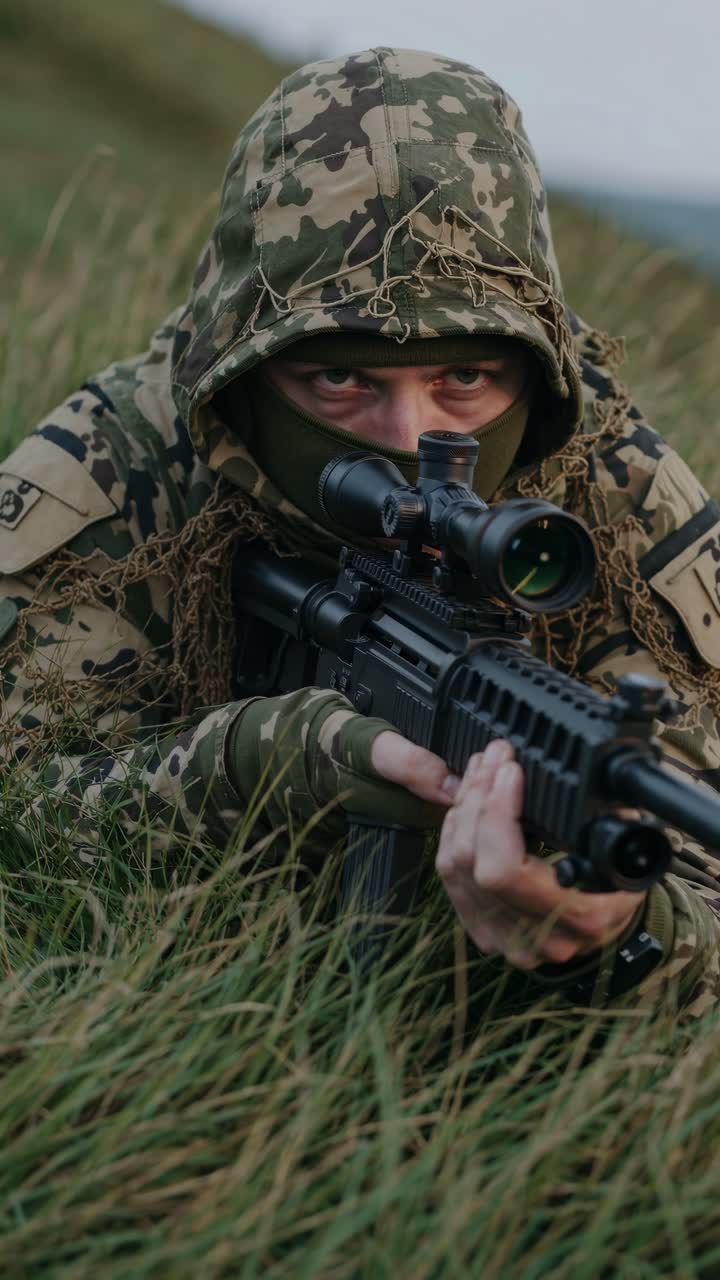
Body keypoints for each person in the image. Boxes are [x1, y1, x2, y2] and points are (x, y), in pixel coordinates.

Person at [2, 48, 720, 1014]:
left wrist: (628, 933)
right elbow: (21, 827)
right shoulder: (111, 470)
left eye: (467, 380)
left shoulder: (617, 491)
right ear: (247, 377)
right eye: (340, 380)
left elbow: (700, 879)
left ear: (532, 374)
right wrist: (248, 771)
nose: (416, 441)